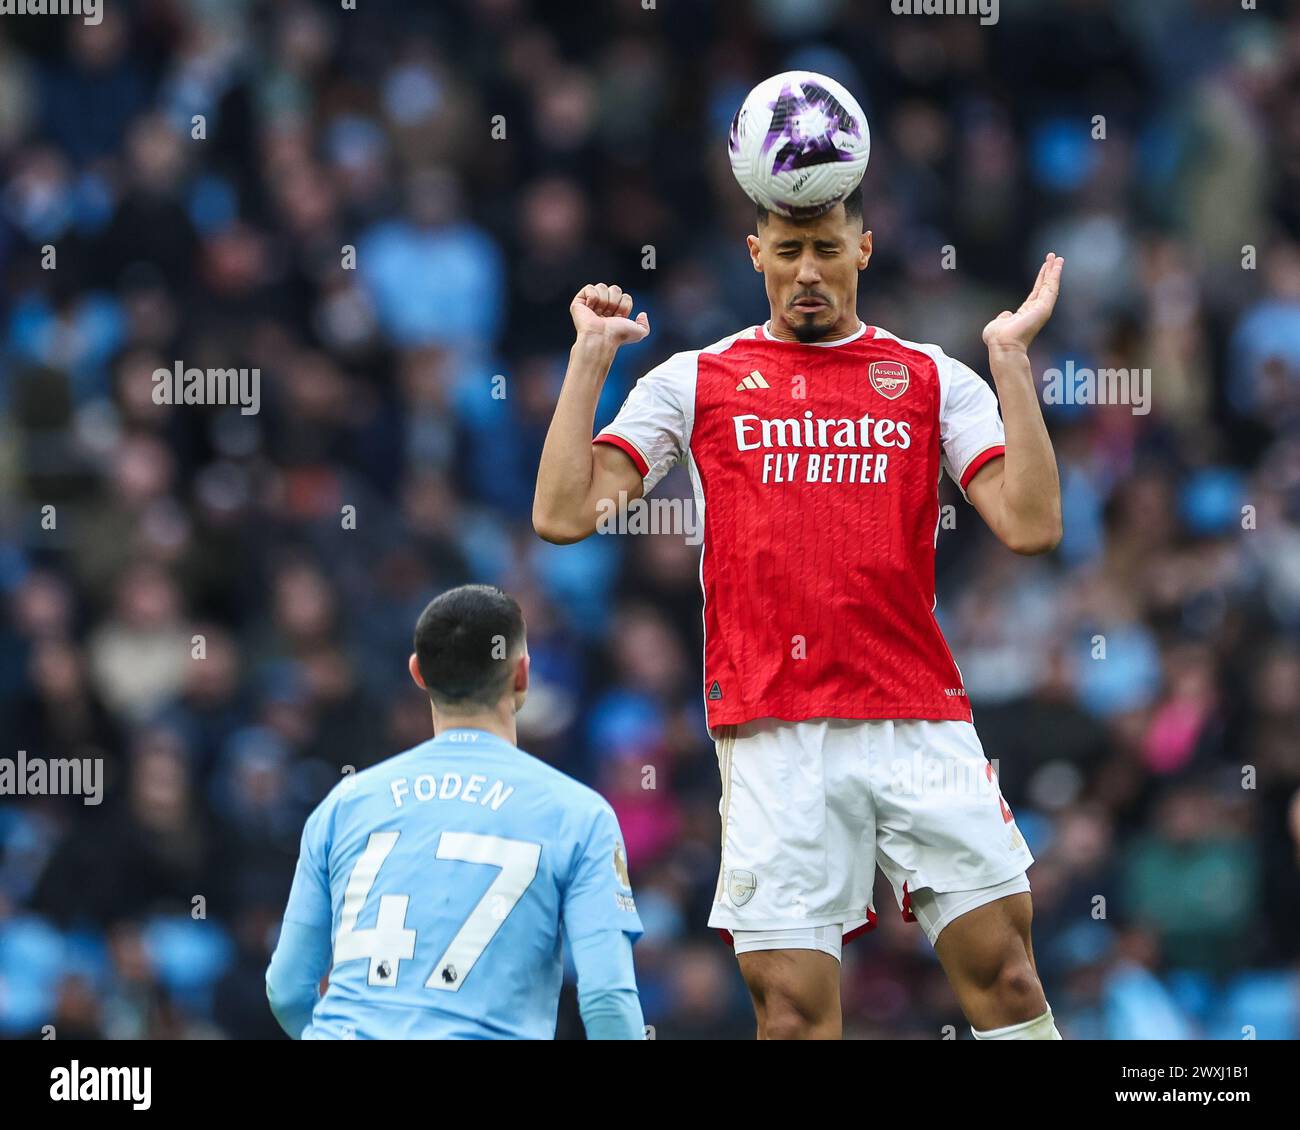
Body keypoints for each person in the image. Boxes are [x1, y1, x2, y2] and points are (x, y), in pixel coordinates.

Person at [533, 182, 1065, 1040]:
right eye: (787, 252)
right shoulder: (695, 381)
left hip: (917, 722)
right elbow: (563, 514)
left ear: (863, 248)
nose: (807, 271)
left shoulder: (930, 375)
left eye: (825, 249)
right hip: (773, 730)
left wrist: (1009, 360)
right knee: (790, 1016)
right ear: (756, 257)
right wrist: (591, 355)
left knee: (1005, 978)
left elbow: (1033, 524)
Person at [265, 584, 645, 1039]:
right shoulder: (579, 814)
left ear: (418, 673)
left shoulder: (345, 804)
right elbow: (606, 998)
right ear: (522, 675)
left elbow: (286, 988)